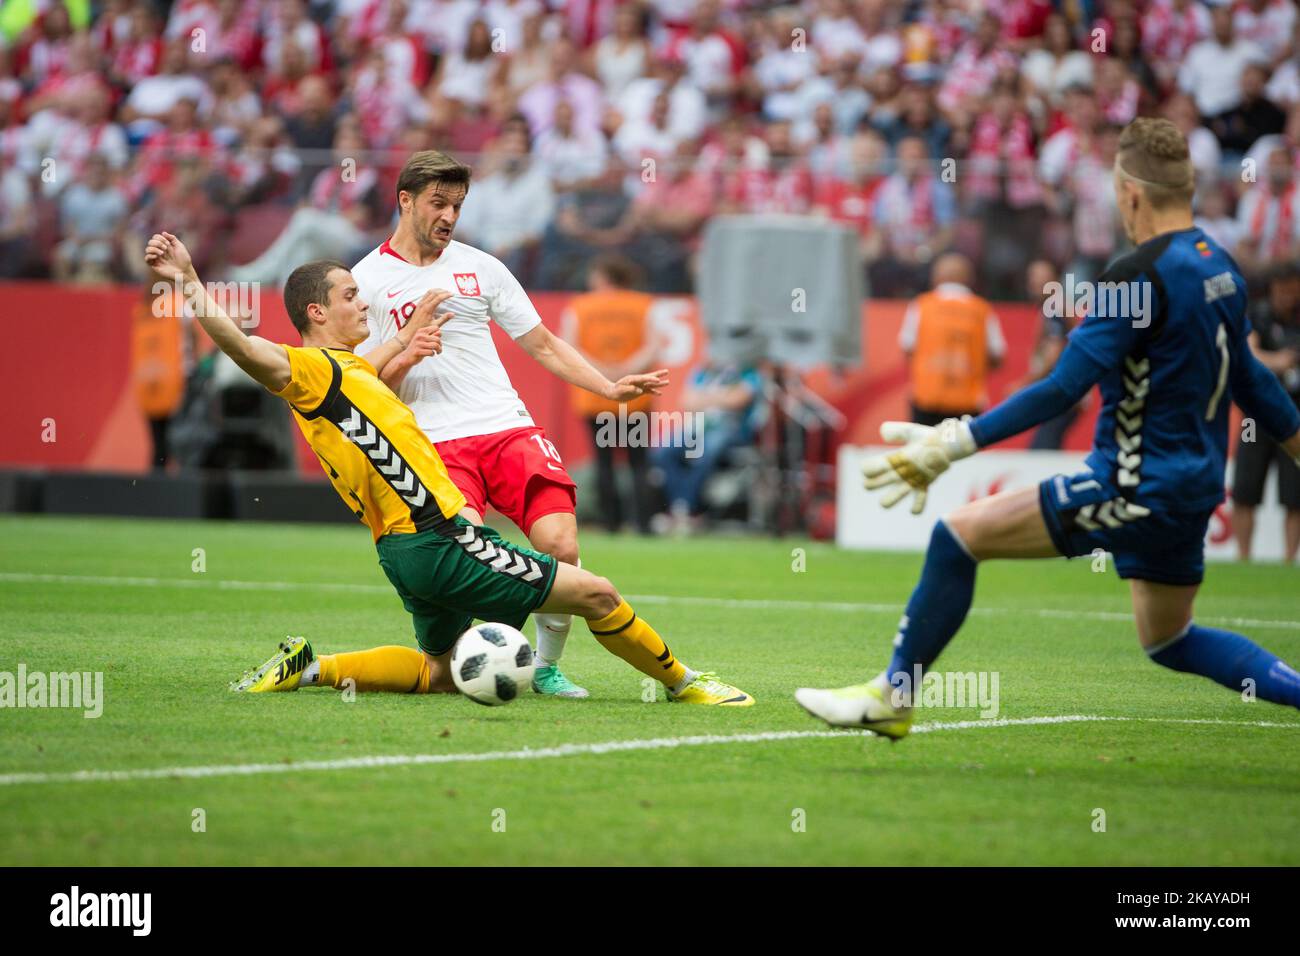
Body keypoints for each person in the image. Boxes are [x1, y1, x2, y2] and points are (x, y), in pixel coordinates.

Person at [796, 118, 1300, 740]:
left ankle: (893, 697)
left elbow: (1064, 386)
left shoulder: (1133, 276)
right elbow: (1254, 381)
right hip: (1193, 488)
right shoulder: (1217, 264)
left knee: (957, 537)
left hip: (1133, 484)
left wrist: (951, 443)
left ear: (1129, 193)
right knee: (1170, 639)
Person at [142, 231, 753, 706]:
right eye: (350, 296)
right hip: (441, 538)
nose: (363, 302)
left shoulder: (347, 368)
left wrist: (407, 339)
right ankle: (687, 684)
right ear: (316, 312)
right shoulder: (305, 370)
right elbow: (247, 349)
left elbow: (369, 369)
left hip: (402, 552)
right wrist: (193, 283)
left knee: (438, 672)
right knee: (596, 592)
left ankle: (313, 668)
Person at [351, 150, 667, 700]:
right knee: (465, 557)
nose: (450, 216)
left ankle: (544, 666)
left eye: (458, 205)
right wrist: (404, 354)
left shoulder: (482, 267)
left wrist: (607, 388)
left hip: (505, 426)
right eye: (438, 203)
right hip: (432, 443)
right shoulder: (366, 280)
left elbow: (541, 342)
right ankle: (462, 657)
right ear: (405, 201)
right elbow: (363, 380)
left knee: (561, 544)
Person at [561, 254, 660, 535]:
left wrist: (603, 370)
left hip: (596, 395)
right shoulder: (644, 305)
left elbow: (569, 347)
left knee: (603, 461)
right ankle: (644, 523)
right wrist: (627, 369)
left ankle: (611, 523)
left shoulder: (580, 307)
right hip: (635, 396)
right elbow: (653, 346)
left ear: (602, 276)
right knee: (638, 462)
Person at [1231, 262, 1300, 562]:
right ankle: (1243, 558)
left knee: (1295, 494)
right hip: (1254, 416)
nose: (1286, 295)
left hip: (1296, 413)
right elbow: (1249, 356)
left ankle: (1288, 560)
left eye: (1292, 288)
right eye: (1281, 288)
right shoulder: (1257, 315)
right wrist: (1280, 361)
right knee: (1245, 487)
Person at [899, 253, 1006, 427]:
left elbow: (907, 347)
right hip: (968, 403)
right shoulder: (982, 310)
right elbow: (997, 355)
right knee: (960, 452)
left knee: (925, 452)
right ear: (969, 278)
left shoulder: (922, 305)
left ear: (938, 276)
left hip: (926, 399)